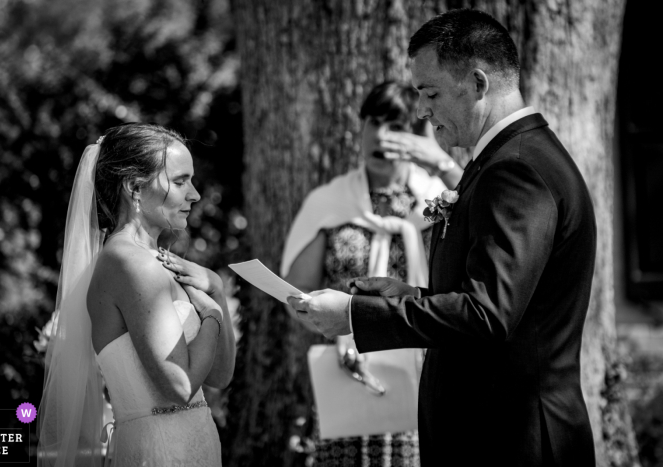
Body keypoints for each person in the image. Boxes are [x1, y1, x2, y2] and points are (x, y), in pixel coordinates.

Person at [288, 9, 597, 467]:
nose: (421, 110)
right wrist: (415, 294)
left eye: (429, 92)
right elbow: (500, 301)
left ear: (477, 83)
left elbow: (487, 315)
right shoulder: (506, 159)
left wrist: (358, 315)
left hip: (509, 440)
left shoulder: (515, 170)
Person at [281, 81, 462, 466]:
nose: (382, 136)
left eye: (395, 124)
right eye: (374, 122)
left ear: (417, 134)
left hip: (426, 373)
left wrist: (442, 165)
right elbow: (297, 293)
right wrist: (334, 328)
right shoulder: (329, 202)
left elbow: (485, 225)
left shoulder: (443, 199)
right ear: (360, 128)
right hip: (347, 372)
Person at [36, 123, 236, 467]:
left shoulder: (158, 262)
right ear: (134, 188)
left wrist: (215, 286)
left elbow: (219, 376)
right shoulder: (127, 262)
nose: (195, 195)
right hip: (161, 453)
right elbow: (180, 384)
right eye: (180, 181)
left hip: (197, 446)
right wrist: (213, 316)